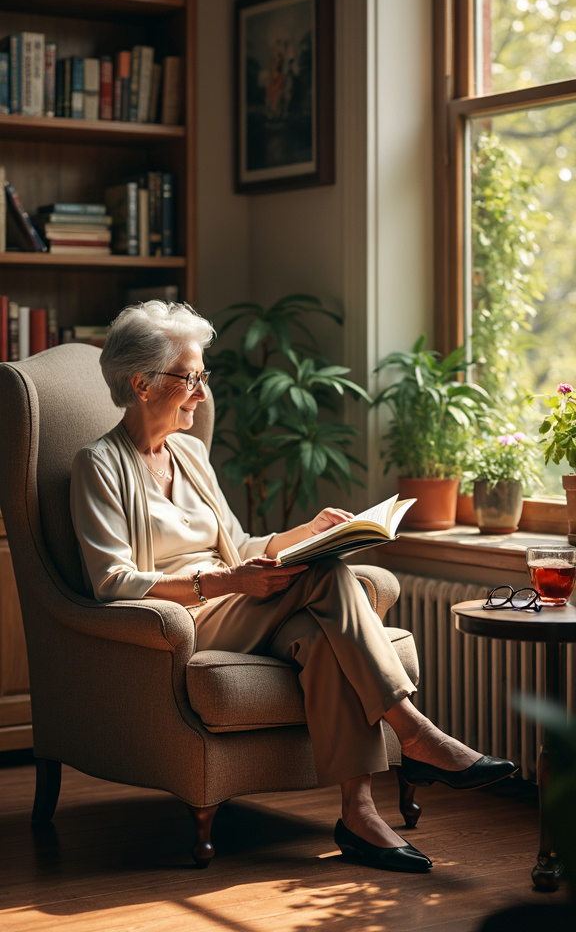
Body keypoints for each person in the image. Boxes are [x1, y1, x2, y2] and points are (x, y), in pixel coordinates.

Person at [70, 301, 517, 874]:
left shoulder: (190, 453)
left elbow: (237, 542)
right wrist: (227, 581)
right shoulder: (98, 466)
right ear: (142, 383)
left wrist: (301, 534)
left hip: (234, 595)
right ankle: (416, 733)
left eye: (203, 377)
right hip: (182, 616)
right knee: (329, 575)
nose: (202, 394)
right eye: (192, 377)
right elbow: (113, 582)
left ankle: (359, 817)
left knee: (319, 630)